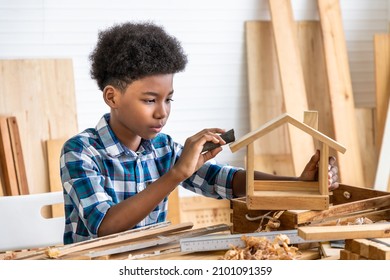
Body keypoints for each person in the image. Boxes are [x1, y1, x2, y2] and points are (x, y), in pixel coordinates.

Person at [60, 21, 339, 245]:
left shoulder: (162, 147)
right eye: (149, 100)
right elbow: (105, 227)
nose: (162, 112)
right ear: (112, 97)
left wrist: (296, 183)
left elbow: (226, 180)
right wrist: (177, 174)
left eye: (168, 99)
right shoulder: (80, 151)